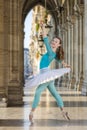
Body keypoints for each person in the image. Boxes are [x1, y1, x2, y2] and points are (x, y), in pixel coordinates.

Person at [25, 26, 71, 124]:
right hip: (46, 74)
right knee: (55, 94)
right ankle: (63, 112)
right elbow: (60, 60)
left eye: (56, 42)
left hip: (46, 75)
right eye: (53, 41)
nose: (53, 42)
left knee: (37, 92)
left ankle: (32, 113)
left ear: (59, 45)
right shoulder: (53, 54)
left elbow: (45, 39)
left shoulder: (51, 52)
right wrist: (66, 64)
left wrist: (42, 28)